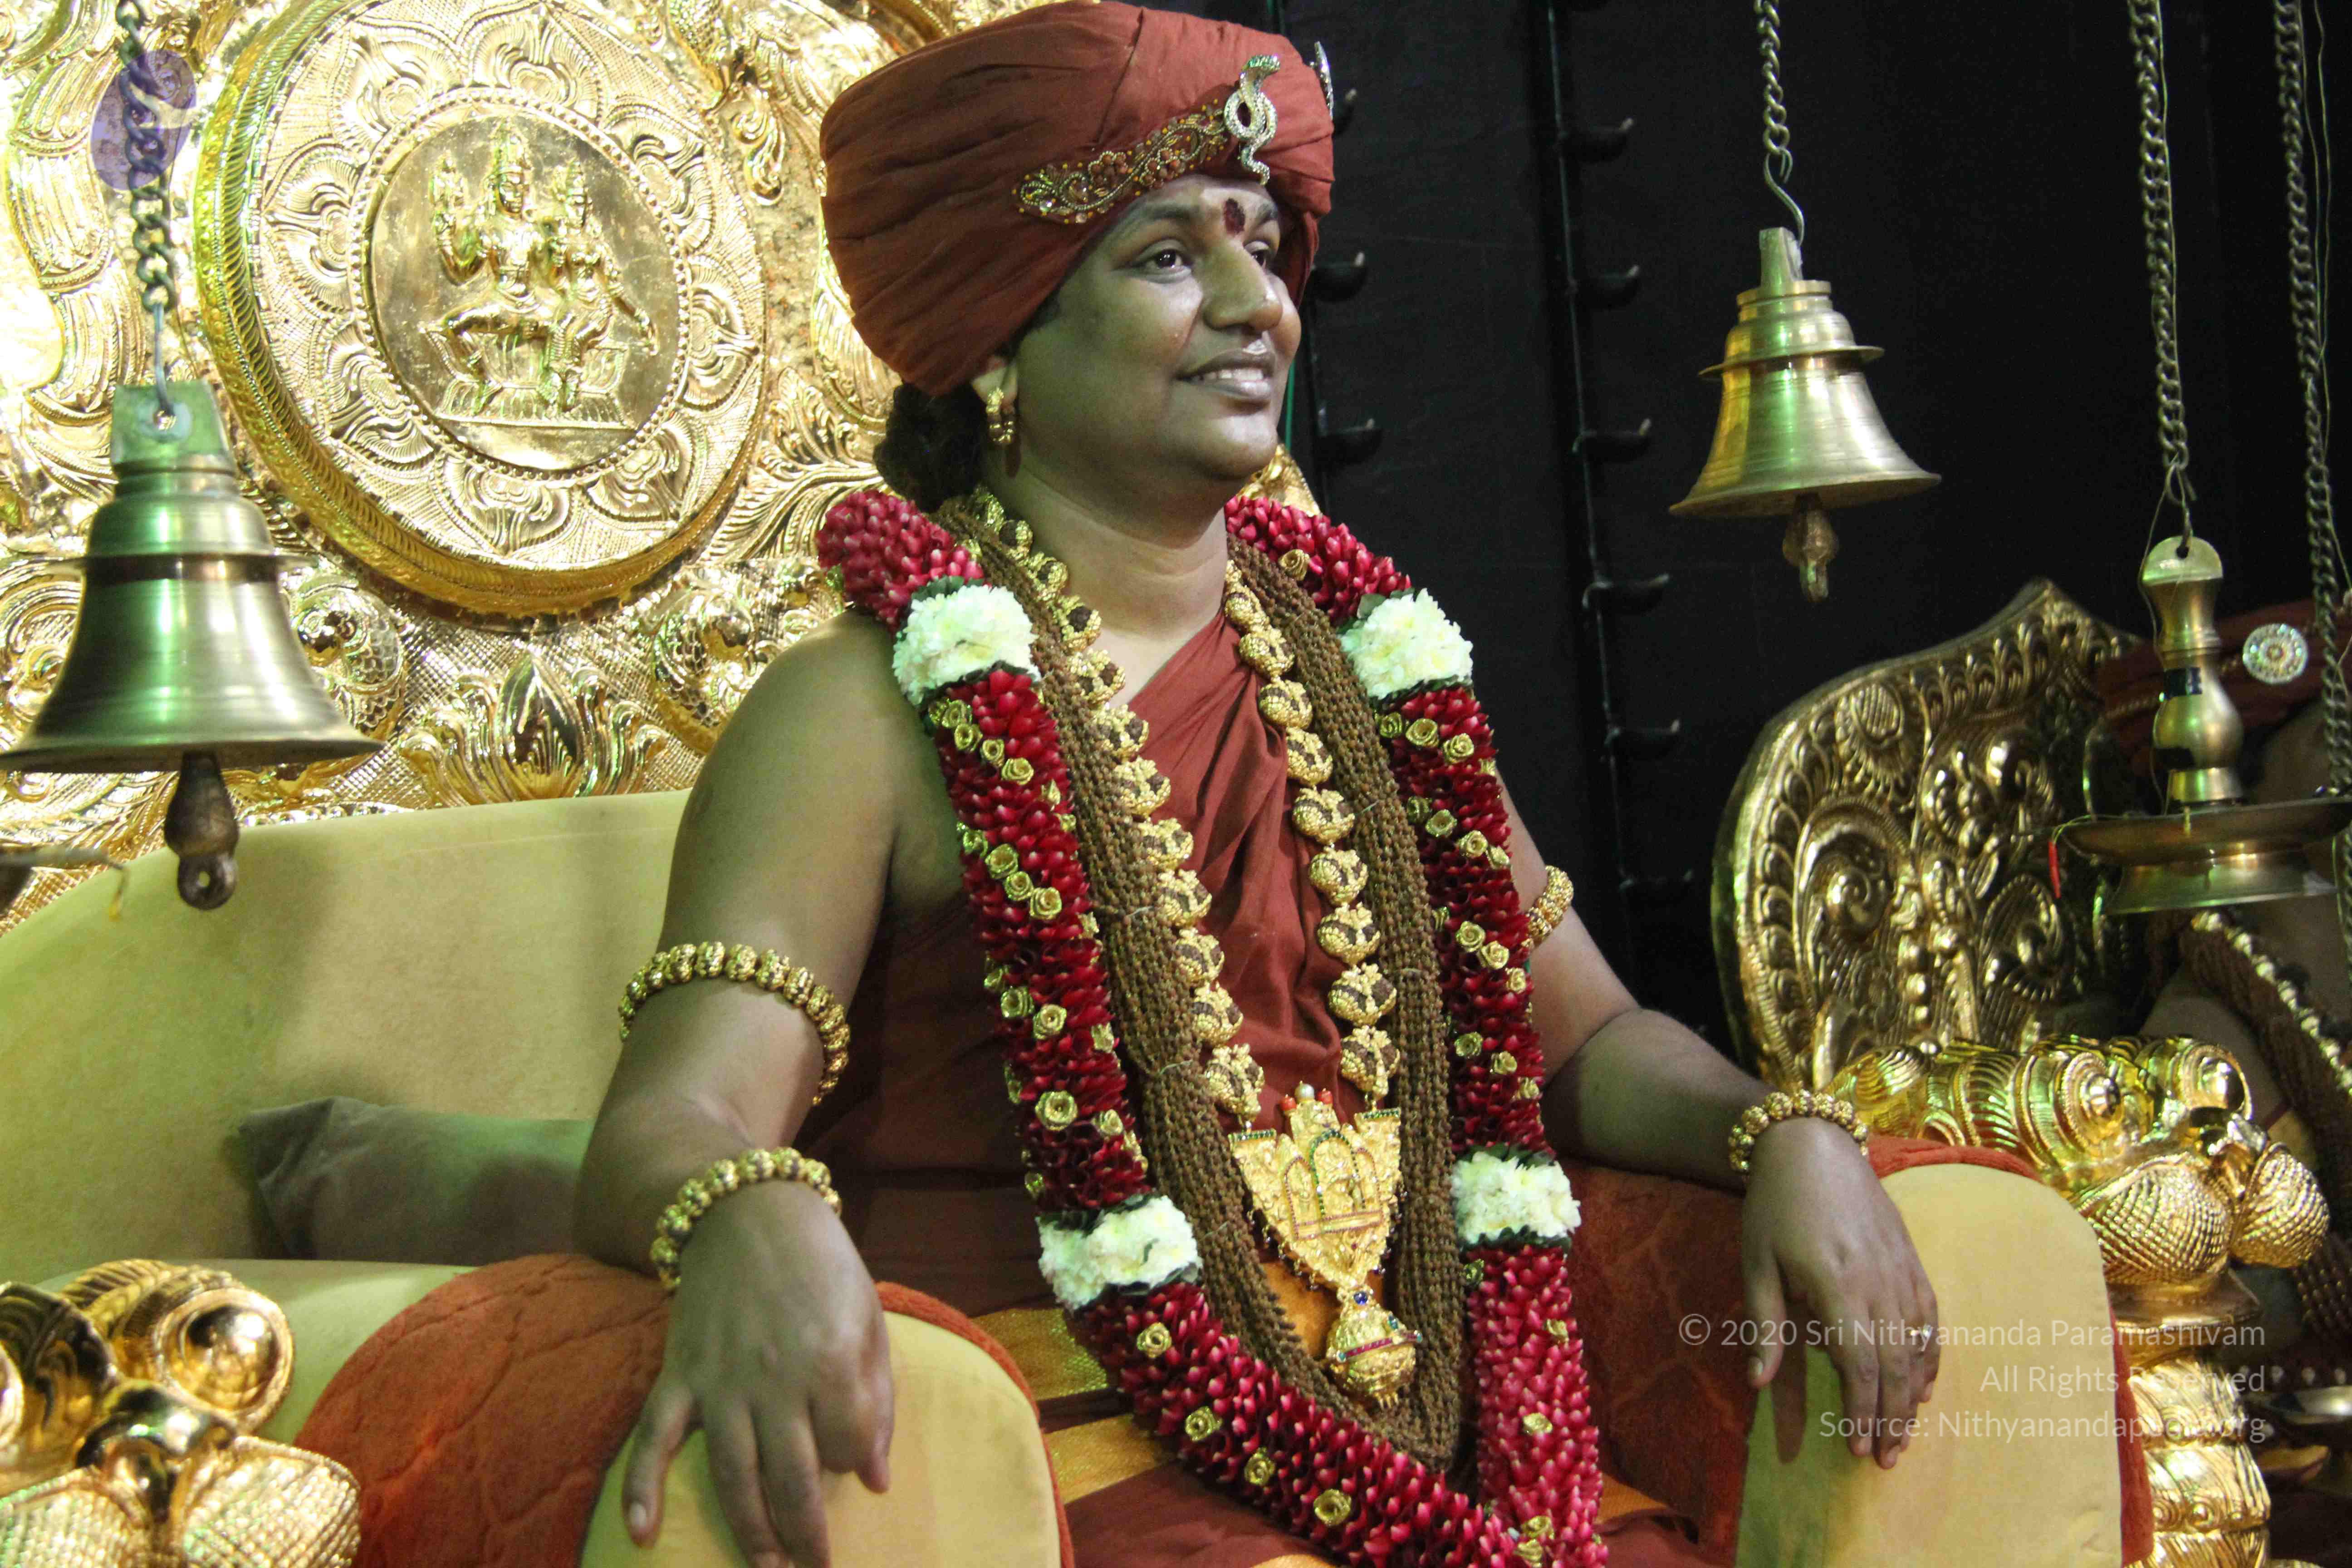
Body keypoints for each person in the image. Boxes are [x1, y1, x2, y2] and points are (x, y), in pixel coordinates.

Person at [574, 7, 1942, 1566]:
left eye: (1265, 246)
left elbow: (1588, 1042)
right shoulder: (861, 709)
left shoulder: (1376, 675)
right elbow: (676, 1113)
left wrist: (1786, 1133)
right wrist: (745, 1213)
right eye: (1169, 257)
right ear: (997, 339)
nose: (1258, 307)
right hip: (1075, 1455)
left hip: (1437, 1443)